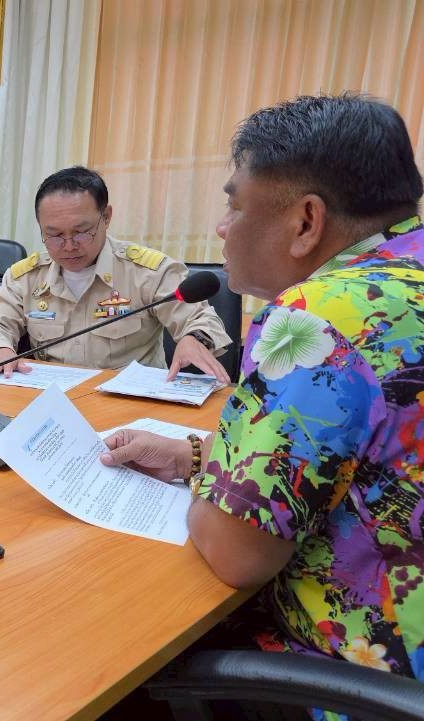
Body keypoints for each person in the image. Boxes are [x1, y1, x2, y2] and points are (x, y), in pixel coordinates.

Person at [100, 94, 424, 685]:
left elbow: (238, 554)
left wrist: (212, 485)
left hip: (364, 674)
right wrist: (198, 455)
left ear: (306, 223)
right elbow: (362, 459)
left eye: (235, 204)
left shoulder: (318, 317)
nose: (222, 227)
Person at [0, 166, 232, 381]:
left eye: (81, 232)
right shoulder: (26, 276)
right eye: (54, 235)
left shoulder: (147, 272)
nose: (69, 246)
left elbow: (201, 320)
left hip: (129, 403)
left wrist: (194, 339)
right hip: (51, 399)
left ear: (106, 217)